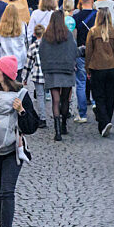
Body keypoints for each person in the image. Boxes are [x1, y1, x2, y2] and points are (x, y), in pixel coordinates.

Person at [0, 56, 40, 227]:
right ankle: (1, 225)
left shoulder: (22, 95)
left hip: (13, 150)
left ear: (6, 73)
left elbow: (31, 127)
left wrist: (21, 111)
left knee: (7, 191)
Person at [85, 9, 114, 137]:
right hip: (111, 67)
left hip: (97, 68)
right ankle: (107, 120)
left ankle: (104, 122)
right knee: (110, 96)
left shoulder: (92, 32)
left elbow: (88, 53)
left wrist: (87, 69)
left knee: (99, 96)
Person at [38, 11, 77, 141]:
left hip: (51, 70)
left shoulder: (46, 37)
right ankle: (64, 125)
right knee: (65, 99)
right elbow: (74, 51)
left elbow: (41, 52)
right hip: (66, 69)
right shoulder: (69, 35)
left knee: (56, 100)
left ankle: (57, 132)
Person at [0, 5, 28, 74]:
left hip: (5, 61)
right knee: (18, 80)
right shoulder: (23, 25)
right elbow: (26, 41)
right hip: (19, 60)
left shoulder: (1, 28)